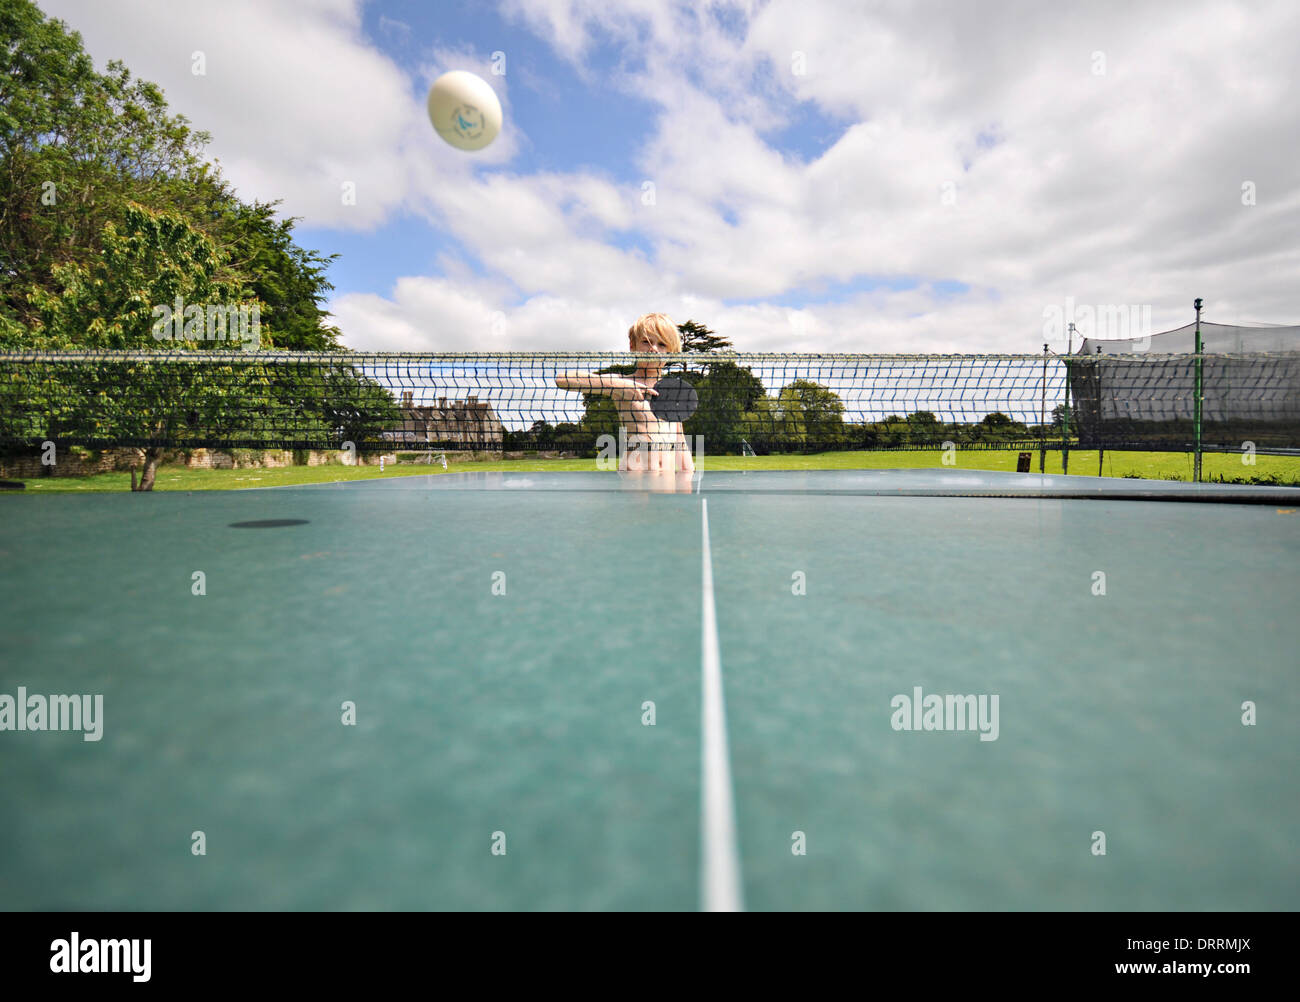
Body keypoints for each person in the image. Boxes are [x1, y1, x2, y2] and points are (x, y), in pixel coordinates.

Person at [555, 313, 695, 473]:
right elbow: (563, 379)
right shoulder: (621, 382)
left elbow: (679, 438)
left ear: (670, 351)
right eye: (646, 342)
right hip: (635, 477)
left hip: (667, 478)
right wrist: (621, 387)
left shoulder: (673, 392)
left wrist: (688, 474)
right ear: (632, 345)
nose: (653, 349)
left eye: (662, 344)